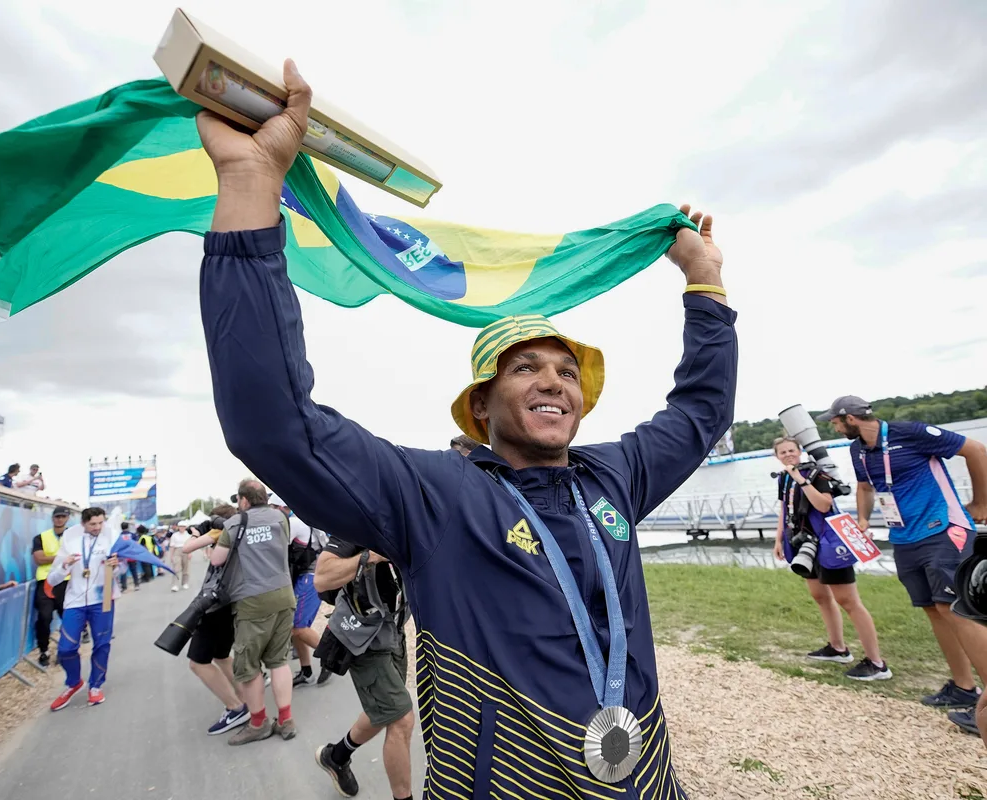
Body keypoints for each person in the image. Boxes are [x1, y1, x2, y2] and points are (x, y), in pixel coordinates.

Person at [196, 59, 734, 794]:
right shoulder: (433, 493)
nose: (553, 380)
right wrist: (253, 187)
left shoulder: (614, 477)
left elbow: (700, 412)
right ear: (479, 408)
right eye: (526, 369)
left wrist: (705, 284)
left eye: (568, 371)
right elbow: (275, 424)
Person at [821, 396, 987, 735]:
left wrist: (982, 501)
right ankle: (964, 687)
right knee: (933, 608)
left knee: (955, 609)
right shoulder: (858, 451)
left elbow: (977, 450)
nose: (834, 428)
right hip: (904, 537)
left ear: (850, 418)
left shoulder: (909, 433)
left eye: (836, 422)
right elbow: (866, 486)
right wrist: (863, 519)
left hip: (943, 528)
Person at [771, 437, 890, 680]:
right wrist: (778, 539)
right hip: (805, 544)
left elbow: (824, 505)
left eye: (791, 450)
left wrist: (801, 479)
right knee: (820, 596)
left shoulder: (816, 474)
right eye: (782, 452)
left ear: (800, 451)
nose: (788, 455)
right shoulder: (783, 478)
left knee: (848, 600)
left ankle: (877, 663)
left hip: (829, 543)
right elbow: (784, 510)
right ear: (777, 456)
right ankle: (837, 648)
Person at [313, 537, 413, 799]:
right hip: (363, 637)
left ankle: (336, 756)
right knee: (401, 718)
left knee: (384, 709)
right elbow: (321, 578)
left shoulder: (412, 523)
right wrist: (368, 556)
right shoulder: (353, 526)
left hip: (395, 632)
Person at [210, 479, 298, 745]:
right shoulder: (281, 518)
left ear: (244, 500)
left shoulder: (235, 523)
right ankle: (285, 719)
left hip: (252, 600)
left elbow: (217, 560)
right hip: (283, 594)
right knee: (279, 661)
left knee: (248, 666)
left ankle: (258, 722)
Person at [179, 503, 252, 735]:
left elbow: (187, 548)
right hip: (233, 601)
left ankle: (235, 707)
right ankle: (244, 700)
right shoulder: (241, 532)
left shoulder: (220, 532)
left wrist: (198, 532)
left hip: (215, 605)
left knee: (198, 662)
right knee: (221, 656)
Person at [45, 507, 122, 711]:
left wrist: (116, 565)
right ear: (83, 524)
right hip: (75, 601)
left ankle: (95, 686)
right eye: (92, 524)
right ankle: (74, 682)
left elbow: (121, 569)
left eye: (100, 523)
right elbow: (52, 579)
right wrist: (64, 565)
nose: (97, 528)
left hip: (103, 598)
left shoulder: (110, 538)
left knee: (101, 644)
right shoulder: (70, 541)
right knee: (66, 649)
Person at [269, 491, 329, 687]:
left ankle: (329, 657)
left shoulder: (294, 523)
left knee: (299, 628)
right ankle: (306, 671)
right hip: (307, 577)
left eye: (272, 508)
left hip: (308, 578)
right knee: (295, 628)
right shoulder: (302, 519)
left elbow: (274, 547)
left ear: (280, 508)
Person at [32, 506, 72, 666]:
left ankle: (66, 650)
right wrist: (64, 558)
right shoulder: (40, 537)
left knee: (68, 617)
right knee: (44, 617)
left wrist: (53, 558)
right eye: (57, 517)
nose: (60, 519)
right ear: (53, 518)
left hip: (67, 580)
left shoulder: (74, 537)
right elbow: (39, 559)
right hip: (46, 581)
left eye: (63, 516)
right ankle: (44, 650)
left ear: (67, 518)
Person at [167, 524, 192, 592]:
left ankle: (185, 583)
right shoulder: (175, 535)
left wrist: (190, 553)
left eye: (183, 526)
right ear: (178, 527)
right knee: (176, 568)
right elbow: (172, 546)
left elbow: (191, 545)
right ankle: (175, 585)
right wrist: (171, 556)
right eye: (180, 526)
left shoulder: (188, 535)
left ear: (185, 527)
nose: (182, 528)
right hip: (177, 550)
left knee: (186, 568)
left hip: (186, 550)